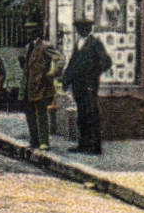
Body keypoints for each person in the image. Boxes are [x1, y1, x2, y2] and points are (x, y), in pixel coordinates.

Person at [62, 19, 111, 155]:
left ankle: (95, 146)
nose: (81, 31)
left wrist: (93, 74)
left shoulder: (95, 43)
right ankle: (83, 144)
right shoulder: (79, 44)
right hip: (78, 86)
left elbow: (106, 62)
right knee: (82, 115)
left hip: (89, 85)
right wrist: (66, 79)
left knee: (91, 114)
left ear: (88, 29)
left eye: (83, 28)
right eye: (79, 28)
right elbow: (73, 64)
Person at [22, 25, 62, 151]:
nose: (28, 34)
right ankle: (34, 140)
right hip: (28, 85)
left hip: (41, 84)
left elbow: (60, 59)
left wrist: (52, 73)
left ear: (37, 33)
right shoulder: (28, 47)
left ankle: (44, 142)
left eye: (31, 31)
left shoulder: (45, 46)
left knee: (41, 113)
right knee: (30, 113)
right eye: (27, 31)